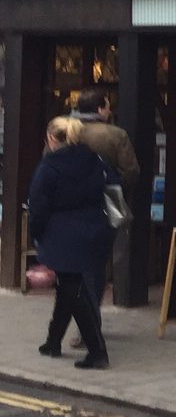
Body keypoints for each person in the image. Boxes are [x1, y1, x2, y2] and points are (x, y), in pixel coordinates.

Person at [29, 116, 114, 369]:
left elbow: (38, 208)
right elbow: (115, 185)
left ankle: (98, 352)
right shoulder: (95, 160)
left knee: (74, 290)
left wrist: (37, 234)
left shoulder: (49, 167)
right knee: (69, 285)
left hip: (62, 236)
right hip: (94, 231)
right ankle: (53, 341)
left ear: (53, 139)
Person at [72, 88, 140, 336]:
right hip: (106, 204)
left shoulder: (64, 131)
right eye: (107, 106)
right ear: (100, 109)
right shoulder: (115, 135)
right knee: (97, 265)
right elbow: (131, 172)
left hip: (71, 207)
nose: (110, 110)